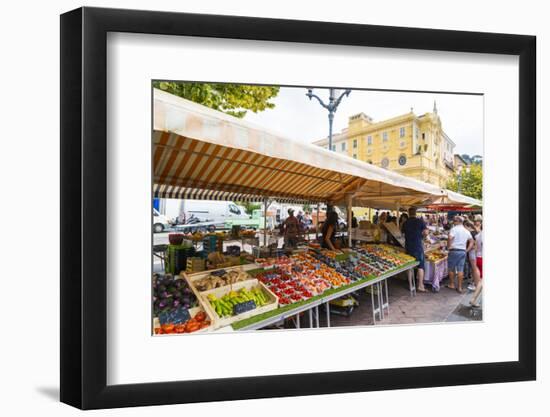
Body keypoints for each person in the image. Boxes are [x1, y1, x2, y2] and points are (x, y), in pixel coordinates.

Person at [402, 207, 429, 292]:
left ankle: (411, 285)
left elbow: (401, 233)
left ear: (408, 213)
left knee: (409, 266)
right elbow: (426, 232)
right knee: (420, 266)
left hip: (408, 246)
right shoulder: (420, 221)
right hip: (417, 246)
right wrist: (422, 237)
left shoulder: (405, 222)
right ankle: (420, 285)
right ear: (415, 213)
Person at [446, 215, 474, 293]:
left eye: (454, 221)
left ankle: (452, 284)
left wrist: (448, 246)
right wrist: (467, 250)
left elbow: (450, 238)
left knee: (451, 268)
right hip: (462, 251)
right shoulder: (466, 230)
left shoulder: (454, 229)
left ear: (458, 221)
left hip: (454, 250)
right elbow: (472, 241)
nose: (454, 222)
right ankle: (460, 287)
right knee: (460, 269)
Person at [464, 219, 480, 291]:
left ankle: (476, 284)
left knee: (474, 268)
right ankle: (474, 282)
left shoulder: (472, 233)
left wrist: (467, 250)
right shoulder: (475, 232)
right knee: (474, 268)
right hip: (474, 252)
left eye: (464, 227)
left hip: (472, 252)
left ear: (467, 226)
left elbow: (474, 244)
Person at [470, 222, 483, 307]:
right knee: (482, 281)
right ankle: (473, 299)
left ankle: (473, 299)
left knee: (482, 280)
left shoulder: (479, 235)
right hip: (482, 258)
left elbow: (476, 248)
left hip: (478, 257)